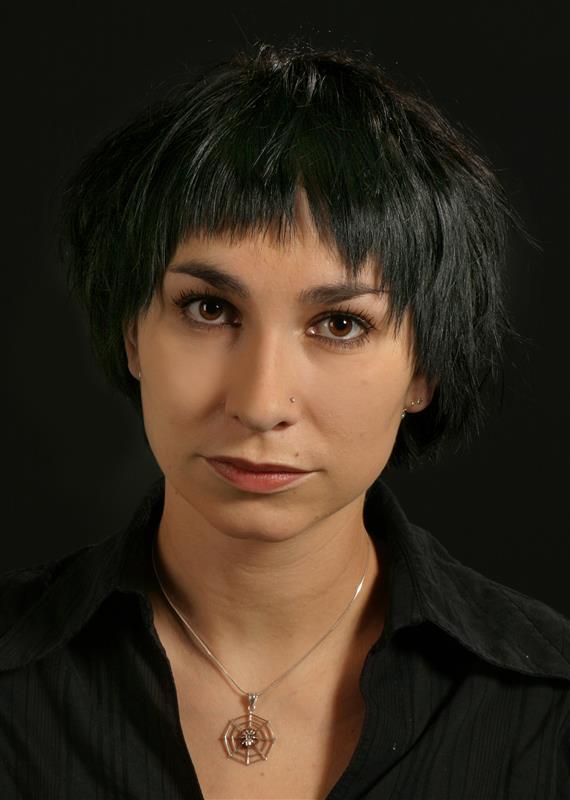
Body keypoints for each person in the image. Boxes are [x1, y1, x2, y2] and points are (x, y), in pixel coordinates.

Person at [0, 42, 568, 800]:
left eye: (340, 324)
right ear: (132, 334)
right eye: (209, 309)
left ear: (424, 371)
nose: (262, 403)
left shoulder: (549, 707)